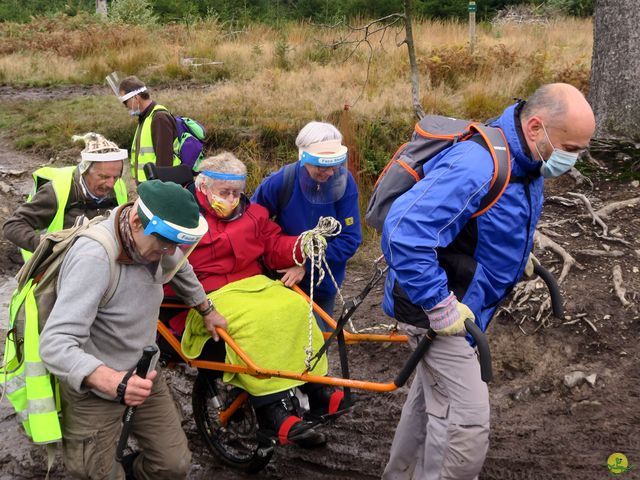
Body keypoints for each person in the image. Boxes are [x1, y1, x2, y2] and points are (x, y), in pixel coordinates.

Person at [380, 83, 595, 479]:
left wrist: (517, 257)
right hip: (436, 311)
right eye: (572, 148)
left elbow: (485, 220)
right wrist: (439, 306)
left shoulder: (526, 162)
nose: (574, 159)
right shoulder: (478, 164)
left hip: (466, 305)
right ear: (535, 127)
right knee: (466, 425)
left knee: (430, 405)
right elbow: (404, 233)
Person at [39, 180, 226, 479]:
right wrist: (112, 380)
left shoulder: (161, 242)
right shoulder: (94, 257)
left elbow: (181, 268)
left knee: (174, 465)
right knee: (96, 474)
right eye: (164, 244)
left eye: (175, 245)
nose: (170, 252)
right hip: (96, 388)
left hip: (144, 375)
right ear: (137, 221)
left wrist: (207, 310)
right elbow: (55, 344)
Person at [167, 152, 347, 448]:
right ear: (204, 188)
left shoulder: (252, 213)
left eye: (237, 193)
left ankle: (317, 389)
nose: (232, 199)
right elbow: (169, 267)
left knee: (296, 307)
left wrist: (301, 244)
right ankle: (271, 411)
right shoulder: (185, 219)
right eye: (224, 193)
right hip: (209, 295)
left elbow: (273, 244)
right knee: (256, 322)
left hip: (255, 285)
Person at [252, 121, 362, 330]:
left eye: (335, 164)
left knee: (322, 342)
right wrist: (280, 251)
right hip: (284, 279)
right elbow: (254, 223)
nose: (330, 172)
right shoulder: (280, 182)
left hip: (325, 282)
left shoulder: (345, 183)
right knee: (297, 340)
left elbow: (350, 238)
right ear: (304, 158)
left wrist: (307, 265)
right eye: (322, 165)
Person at [3, 132, 128, 260]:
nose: (111, 183)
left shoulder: (119, 187)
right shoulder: (56, 191)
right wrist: (48, 248)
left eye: (116, 176)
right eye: (103, 177)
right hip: (59, 272)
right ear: (85, 170)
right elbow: (13, 226)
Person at [117, 75, 180, 183]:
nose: (125, 106)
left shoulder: (159, 118)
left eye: (125, 101)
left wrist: (159, 191)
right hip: (149, 186)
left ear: (136, 97)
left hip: (157, 188)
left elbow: (164, 162)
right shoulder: (145, 118)